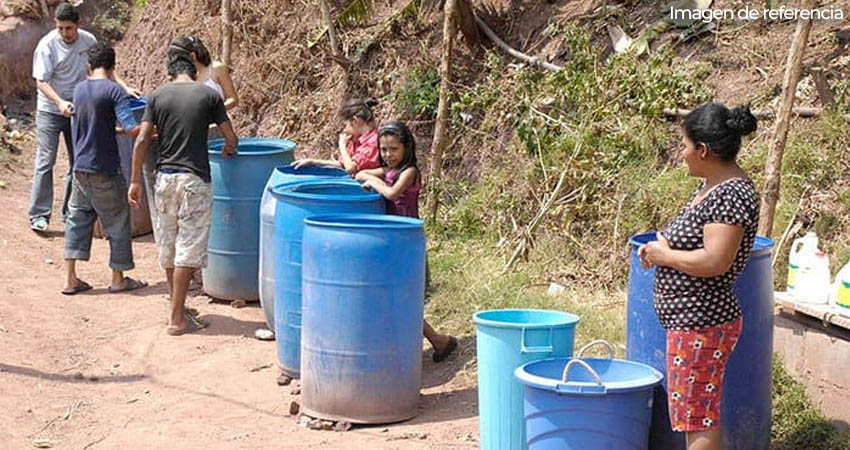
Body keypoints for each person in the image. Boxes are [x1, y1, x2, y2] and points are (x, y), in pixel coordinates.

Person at [638, 103, 759, 450]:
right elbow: (696, 244)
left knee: (698, 417)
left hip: (702, 323)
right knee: (694, 414)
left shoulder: (731, 193)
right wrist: (662, 250)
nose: (683, 153)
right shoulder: (712, 187)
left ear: (703, 150)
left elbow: (715, 261)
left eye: (686, 145)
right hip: (692, 322)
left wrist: (666, 255)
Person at [128, 55, 238, 336]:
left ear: (170, 75)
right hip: (194, 182)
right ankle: (177, 318)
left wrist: (134, 180)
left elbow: (142, 139)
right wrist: (229, 148)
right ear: (193, 73)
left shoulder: (156, 96)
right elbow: (231, 138)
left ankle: (177, 308)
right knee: (188, 250)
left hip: (164, 179)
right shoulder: (208, 95)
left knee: (170, 245)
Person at [29, 2, 139, 232]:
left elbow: (103, 64)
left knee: (76, 161)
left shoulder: (88, 40)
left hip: (79, 109)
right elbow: (41, 81)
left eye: (69, 28)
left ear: (79, 24)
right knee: (45, 161)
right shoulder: (47, 46)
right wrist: (59, 102)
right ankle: (39, 214)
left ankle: (69, 212)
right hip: (52, 109)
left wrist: (123, 86)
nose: (64, 33)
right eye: (60, 28)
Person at [356, 121, 458, 363]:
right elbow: (364, 172)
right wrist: (367, 174)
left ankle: (438, 341)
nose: (388, 155)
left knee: (403, 299)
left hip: (407, 242)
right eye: (383, 149)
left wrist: (374, 181)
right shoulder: (390, 172)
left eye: (393, 149)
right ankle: (436, 342)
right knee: (392, 298)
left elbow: (392, 193)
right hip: (390, 242)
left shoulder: (409, 172)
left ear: (406, 148)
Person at [62, 43, 148, 295]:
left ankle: (70, 279)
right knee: (118, 221)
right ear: (113, 67)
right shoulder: (114, 91)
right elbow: (131, 127)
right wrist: (150, 132)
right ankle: (118, 278)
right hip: (105, 168)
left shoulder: (78, 90)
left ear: (89, 65)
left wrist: (119, 130)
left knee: (77, 220)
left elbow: (93, 125)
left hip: (79, 168)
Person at [294, 98, 381, 175]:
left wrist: (342, 146)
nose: (345, 130)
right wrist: (313, 162)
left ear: (354, 121)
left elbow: (350, 168)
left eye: (345, 125)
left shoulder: (372, 142)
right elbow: (343, 164)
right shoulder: (356, 140)